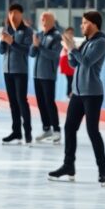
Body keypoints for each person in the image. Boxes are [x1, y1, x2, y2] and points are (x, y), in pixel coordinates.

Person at [48, 11, 105, 187]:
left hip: (92, 94)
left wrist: (72, 48)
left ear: (94, 24)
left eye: (84, 23)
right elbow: (74, 63)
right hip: (77, 93)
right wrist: (70, 50)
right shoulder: (86, 42)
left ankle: (103, 169)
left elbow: (87, 62)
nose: (81, 26)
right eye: (81, 23)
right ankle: (69, 166)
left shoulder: (100, 42)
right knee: (69, 128)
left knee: (92, 131)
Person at [0, 3, 33, 144]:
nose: (13, 16)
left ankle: (28, 132)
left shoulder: (27, 31)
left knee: (21, 101)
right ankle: (16, 132)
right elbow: (1, 50)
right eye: (11, 13)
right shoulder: (6, 29)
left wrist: (12, 42)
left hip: (20, 71)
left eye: (16, 13)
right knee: (12, 102)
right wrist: (3, 42)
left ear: (21, 15)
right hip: (7, 71)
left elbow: (27, 50)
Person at [30, 12, 62, 143]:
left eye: (45, 19)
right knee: (41, 102)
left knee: (49, 102)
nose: (42, 21)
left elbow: (53, 55)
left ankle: (56, 130)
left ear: (52, 21)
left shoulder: (56, 36)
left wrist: (40, 46)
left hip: (48, 75)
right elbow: (32, 53)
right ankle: (46, 128)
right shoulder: (39, 34)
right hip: (37, 74)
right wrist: (34, 45)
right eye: (41, 19)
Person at [59, 28, 76, 98]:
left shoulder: (72, 41)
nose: (70, 35)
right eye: (69, 33)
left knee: (72, 79)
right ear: (65, 34)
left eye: (72, 33)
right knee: (70, 79)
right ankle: (69, 93)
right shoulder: (63, 42)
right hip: (65, 61)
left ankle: (70, 93)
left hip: (70, 60)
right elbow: (69, 48)